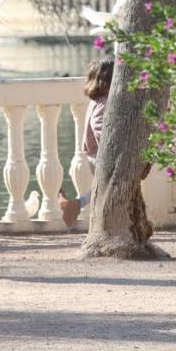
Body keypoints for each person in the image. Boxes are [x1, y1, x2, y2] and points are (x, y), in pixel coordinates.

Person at [59, 58, 113, 226]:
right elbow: (100, 126)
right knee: (108, 189)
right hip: (99, 154)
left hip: (94, 153)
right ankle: (77, 204)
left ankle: (74, 204)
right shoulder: (104, 102)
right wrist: (109, 147)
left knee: (103, 189)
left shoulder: (95, 101)